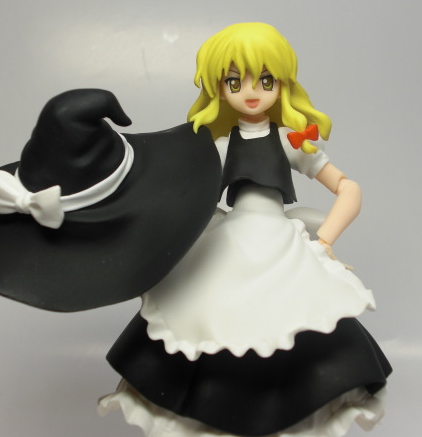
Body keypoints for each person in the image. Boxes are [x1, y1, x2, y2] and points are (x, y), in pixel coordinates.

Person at [98, 23, 391, 437]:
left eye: (265, 80)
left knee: (295, 316)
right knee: (210, 316)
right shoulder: (217, 147)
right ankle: (214, 408)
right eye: (234, 82)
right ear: (219, 88)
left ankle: (290, 406)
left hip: (280, 244)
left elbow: (348, 188)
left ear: (282, 84)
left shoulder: (291, 141)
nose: (251, 92)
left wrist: (325, 239)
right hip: (230, 241)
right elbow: (181, 196)